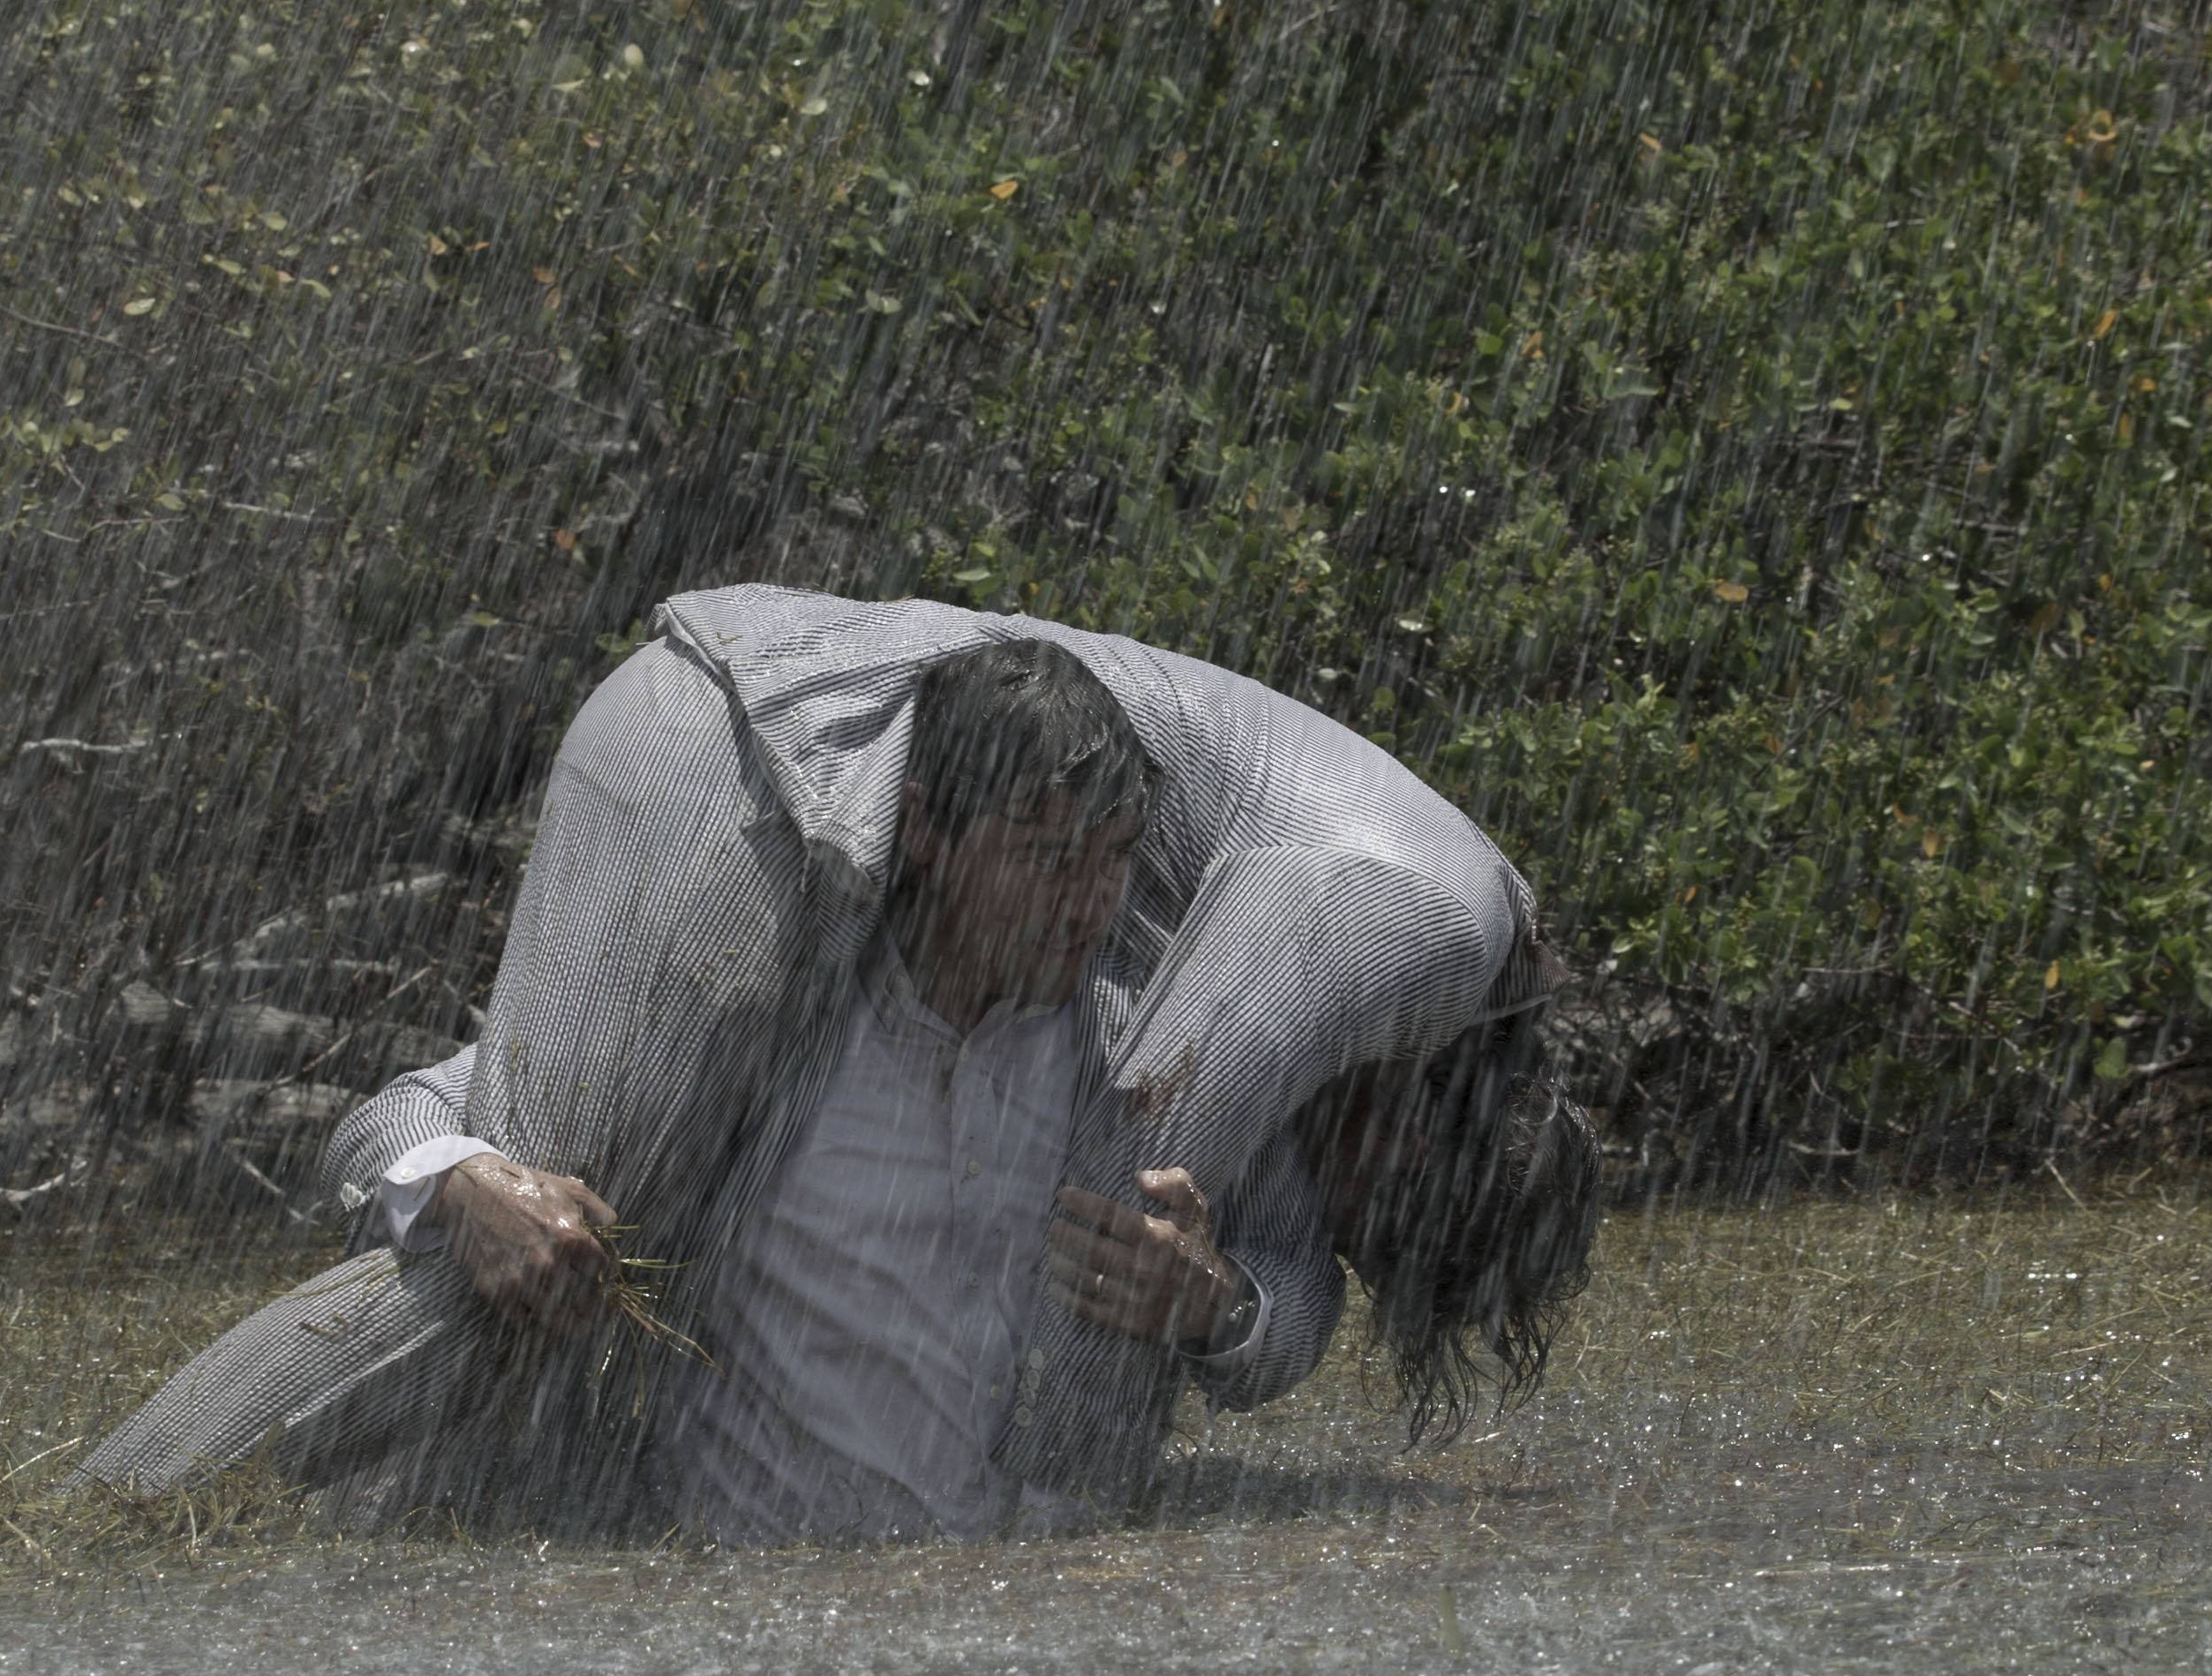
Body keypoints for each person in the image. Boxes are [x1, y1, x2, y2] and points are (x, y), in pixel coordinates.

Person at [78, 585, 1594, 1537]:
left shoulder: (1129, 1040)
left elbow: (1274, 1278)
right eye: (1048, 860)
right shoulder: (774, 1032)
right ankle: (108, 1517)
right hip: (746, 1627)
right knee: (531, 1244)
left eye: (1112, 866)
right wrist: (465, 1180)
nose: (1090, 905)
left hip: (947, 1672)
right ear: (924, 834)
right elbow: (390, 1123)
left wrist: (1218, 1309)